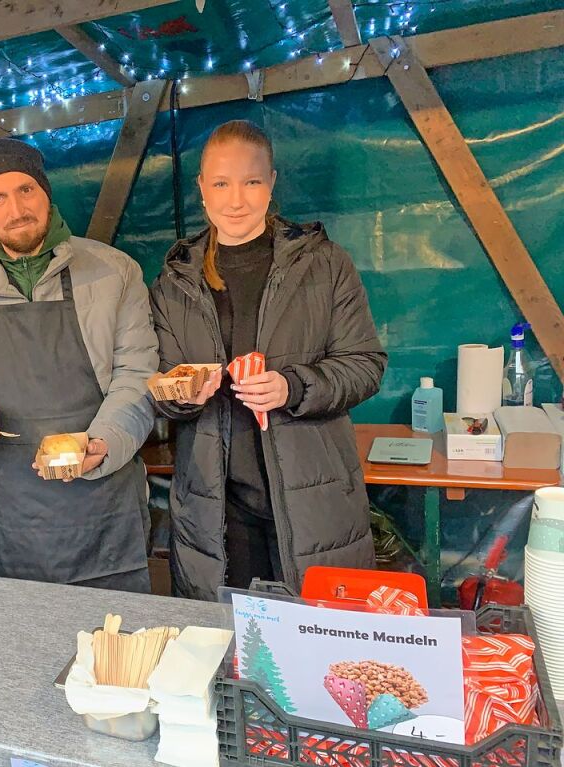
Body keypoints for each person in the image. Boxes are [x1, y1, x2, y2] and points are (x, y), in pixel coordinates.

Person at [150, 120, 387, 600]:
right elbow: (165, 389)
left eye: (251, 181)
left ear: (272, 182)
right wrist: (182, 394)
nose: (235, 200)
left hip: (312, 502)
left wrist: (293, 387)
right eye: (221, 183)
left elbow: (365, 364)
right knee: (229, 648)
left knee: (318, 653)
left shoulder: (323, 264)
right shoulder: (174, 282)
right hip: (216, 508)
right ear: (201, 187)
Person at [0, 138, 158, 592]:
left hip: (104, 504)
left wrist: (103, 443)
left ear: (46, 192)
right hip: (16, 517)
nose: (15, 208)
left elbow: (136, 375)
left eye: (25, 189)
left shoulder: (115, 272)